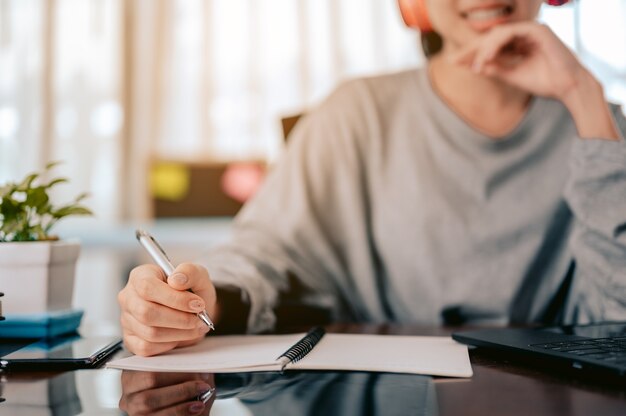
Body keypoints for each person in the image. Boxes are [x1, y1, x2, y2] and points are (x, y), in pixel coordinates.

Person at [118, 0, 626, 357]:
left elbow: (618, 313)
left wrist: (583, 93)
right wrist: (205, 296)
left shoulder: (601, 129)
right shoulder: (355, 113)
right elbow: (263, 250)